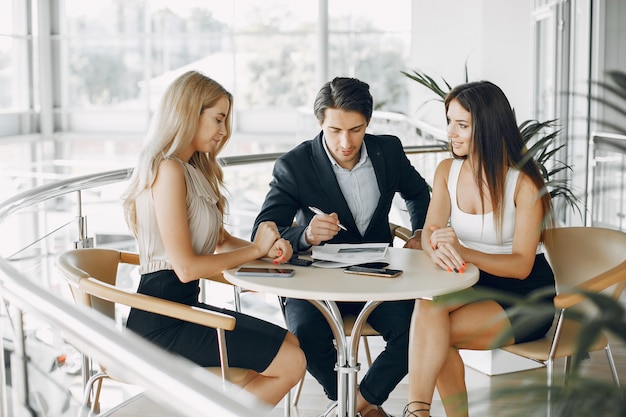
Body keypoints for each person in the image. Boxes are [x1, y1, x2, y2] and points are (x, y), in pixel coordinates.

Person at [121, 70, 305, 407]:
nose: (224, 132)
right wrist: (255, 249)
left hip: (183, 309)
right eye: (218, 119)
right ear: (190, 112)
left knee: (291, 346)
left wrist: (267, 252)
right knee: (291, 362)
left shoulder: (192, 169)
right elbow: (186, 269)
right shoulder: (168, 170)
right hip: (160, 322)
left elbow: (221, 241)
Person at [252, 77, 431, 417]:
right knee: (304, 333)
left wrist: (420, 230)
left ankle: (357, 406)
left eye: (356, 129)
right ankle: (362, 408)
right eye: (334, 130)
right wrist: (303, 234)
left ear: (368, 123)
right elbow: (262, 232)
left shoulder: (389, 151)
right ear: (320, 122)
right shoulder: (295, 165)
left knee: (418, 330)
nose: (345, 141)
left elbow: (418, 192)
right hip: (317, 281)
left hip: (378, 277)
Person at [404, 81, 556, 417]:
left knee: (434, 338)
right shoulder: (448, 170)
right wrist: (436, 247)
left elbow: (521, 266)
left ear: (487, 127)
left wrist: (461, 250)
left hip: (525, 295)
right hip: (471, 282)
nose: (450, 133)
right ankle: (418, 412)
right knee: (428, 308)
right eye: (449, 122)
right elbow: (430, 231)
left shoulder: (524, 183)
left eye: (462, 125)